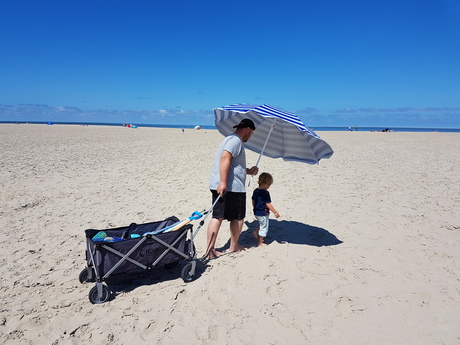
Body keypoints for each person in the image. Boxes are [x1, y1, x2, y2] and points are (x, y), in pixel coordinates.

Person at [206, 119, 259, 259]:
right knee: (237, 217)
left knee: (218, 216)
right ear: (248, 129)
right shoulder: (236, 141)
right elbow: (225, 158)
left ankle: (210, 250)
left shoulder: (230, 139)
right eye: (252, 133)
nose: (251, 136)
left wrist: (249, 171)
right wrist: (223, 182)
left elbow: (235, 166)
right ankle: (234, 246)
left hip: (222, 184)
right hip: (232, 187)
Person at [251, 172, 280, 247]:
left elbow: (253, 200)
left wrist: (254, 207)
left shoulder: (256, 190)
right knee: (264, 227)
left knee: (261, 223)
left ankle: (255, 231)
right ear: (265, 183)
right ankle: (260, 243)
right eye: (269, 185)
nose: (269, 187)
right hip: (263, 213)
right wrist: (275, 212)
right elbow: (268, 204)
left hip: (257, 212)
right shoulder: (265, 193)